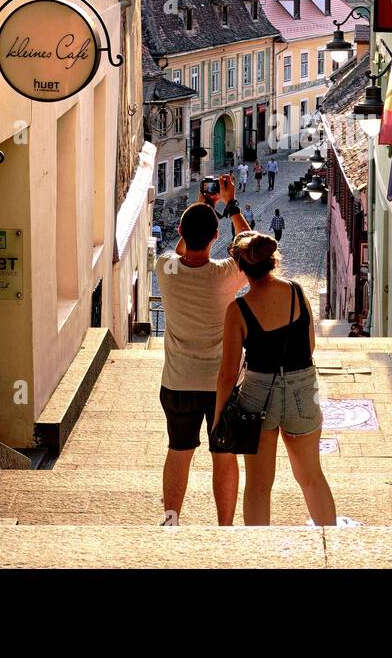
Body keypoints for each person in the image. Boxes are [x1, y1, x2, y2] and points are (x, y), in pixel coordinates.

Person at [215, 232, 336, 526]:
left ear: (241, 268)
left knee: (258, 486)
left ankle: (259, 556)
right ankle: (332, 545)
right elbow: (309, 346)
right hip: (302, 388)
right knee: (311, 477)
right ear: (272, 262)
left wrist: (220, 414)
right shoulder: (296, 292)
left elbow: (228, 373)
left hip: (257, 393)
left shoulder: (238, 310)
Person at [153, 174, 250, 526]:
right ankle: (224, 527)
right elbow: (249, 245)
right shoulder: (226, 274)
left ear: (180, 232)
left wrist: (204, 207)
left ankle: (171, 519)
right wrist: (229, 205)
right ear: (215, 237)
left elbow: (181, 252)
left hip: (178, 382)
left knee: (179, 450)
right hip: (222, 384)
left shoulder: (165, 269)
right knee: (224, 454)